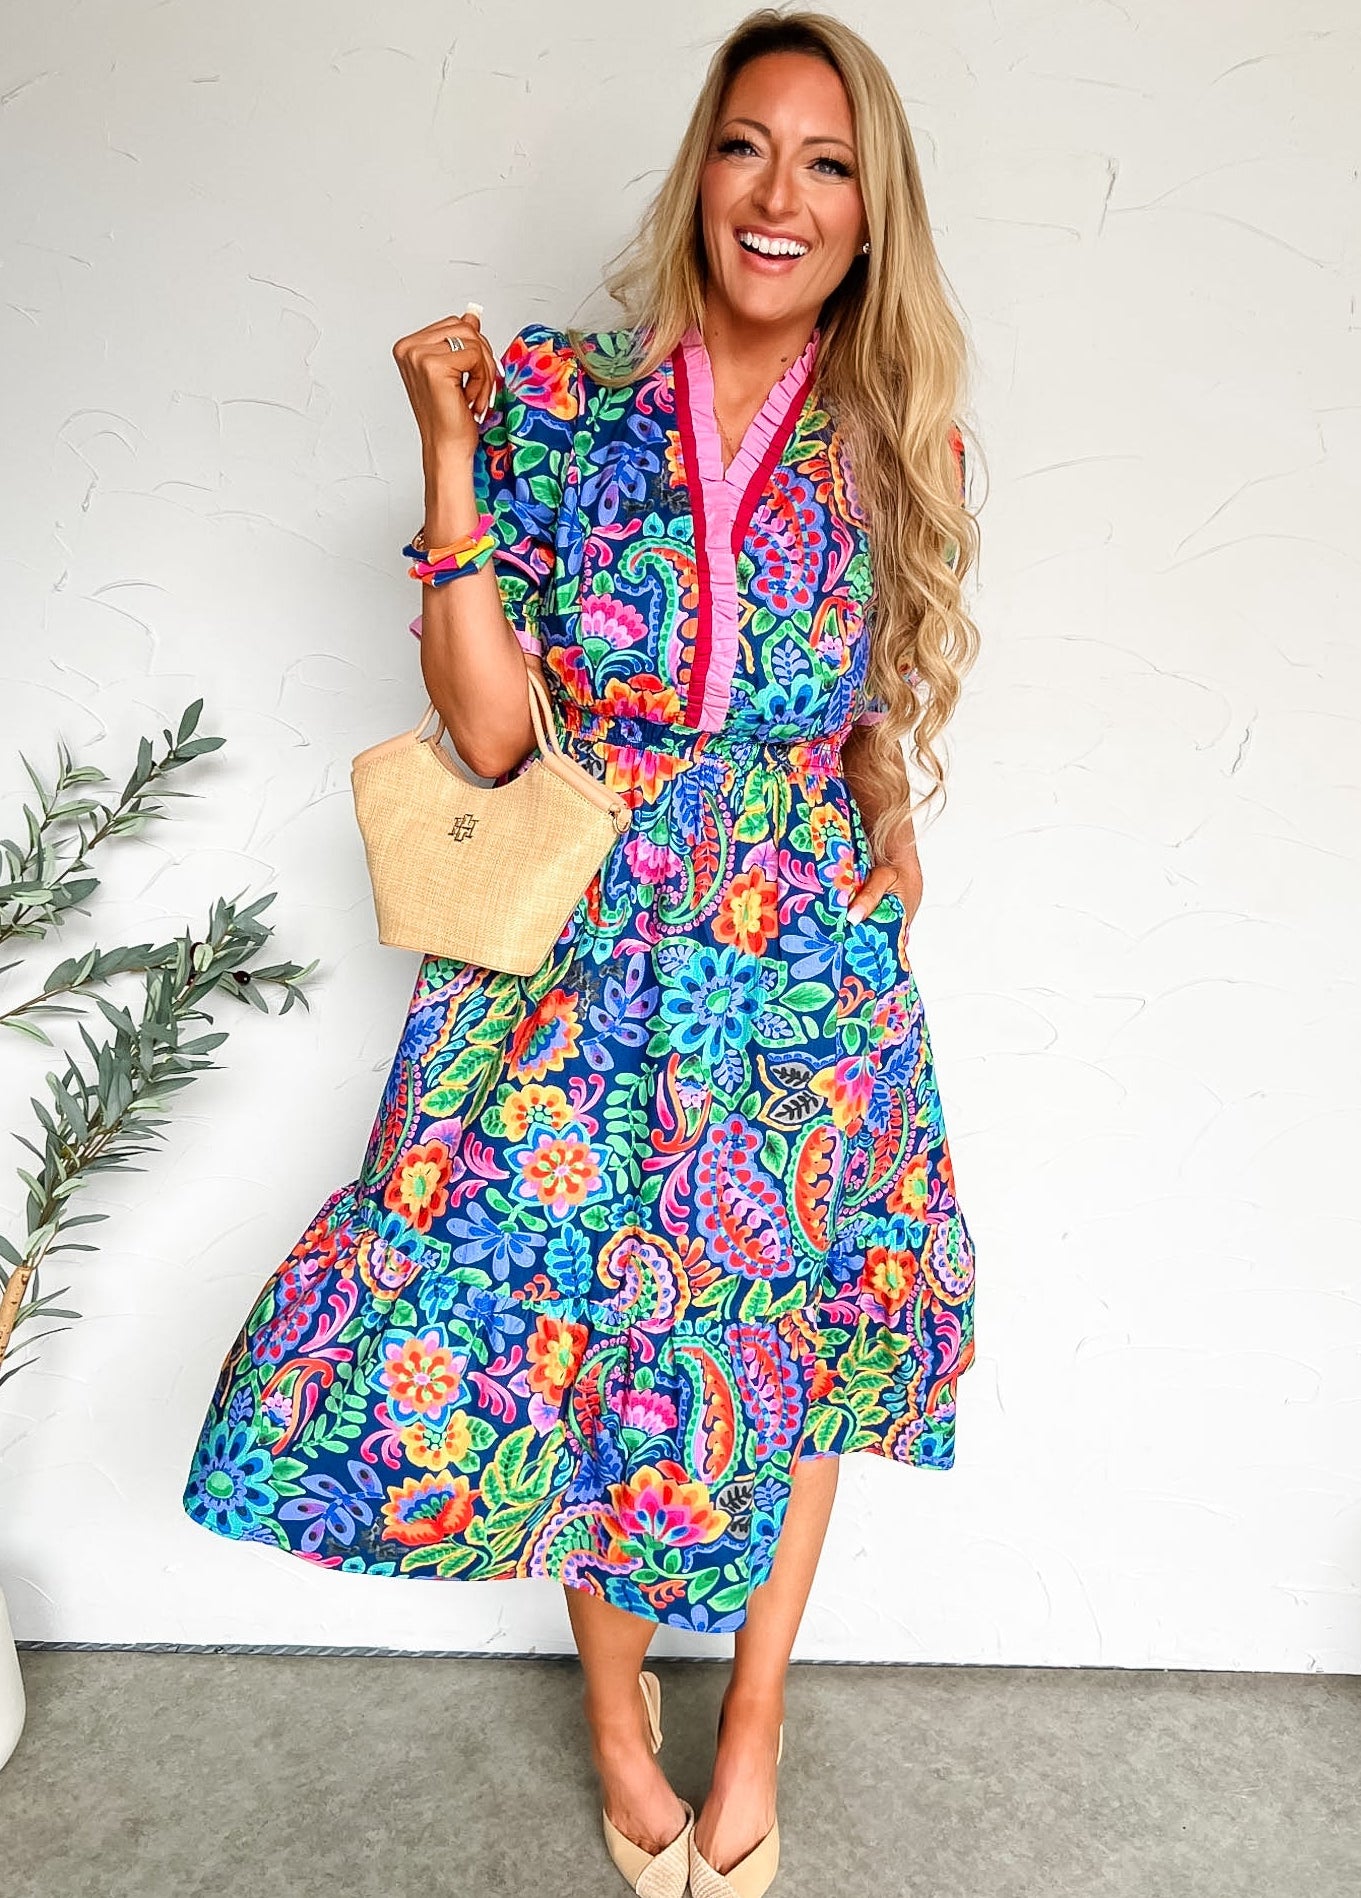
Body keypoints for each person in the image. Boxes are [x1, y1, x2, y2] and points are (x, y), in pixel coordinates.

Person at [182, 8, 981, 1894]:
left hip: (799, 959)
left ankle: (757, 1717)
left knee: (788, 1339)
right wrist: (455, 458)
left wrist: (888, 829)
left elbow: (872, 714)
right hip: (590, 952)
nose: (777, 196)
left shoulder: (901, 439)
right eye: (746, 147)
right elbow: (481, 733)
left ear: (872, 215)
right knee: (602, 1336)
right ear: (698, 169)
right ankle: (624, 1729)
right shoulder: (559, 393)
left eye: (827, 162)